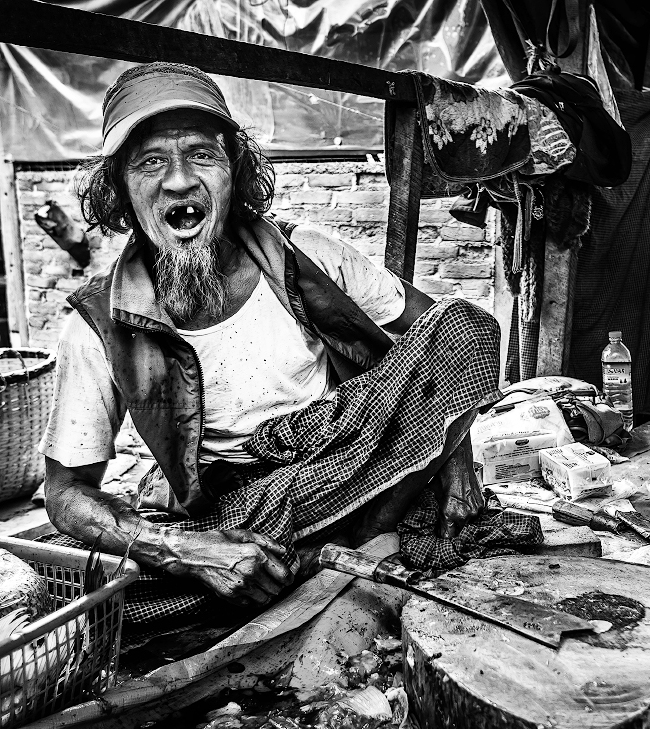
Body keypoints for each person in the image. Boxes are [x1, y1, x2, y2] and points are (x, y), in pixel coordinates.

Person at [41, 62, 500, 608]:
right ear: (119, 186)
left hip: (357, 449)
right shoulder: (97, 323)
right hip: (248, 509)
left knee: (465, 322)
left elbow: (449, 334)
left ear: (235, 168)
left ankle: (329, 548)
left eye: (201, 154)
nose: (180, 180)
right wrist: (183, 550)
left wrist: (456, 463)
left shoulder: (305, 253)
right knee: (84, 594)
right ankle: (318, 553)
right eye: (150, 162)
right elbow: (67, 494)